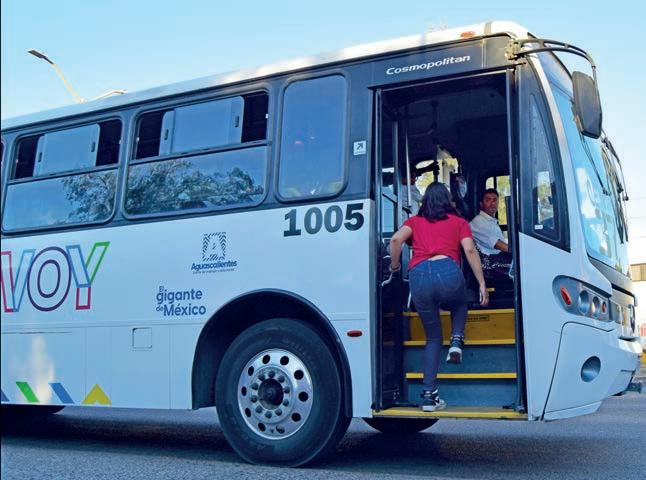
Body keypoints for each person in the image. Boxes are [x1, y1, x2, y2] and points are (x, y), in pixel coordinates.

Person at [389, 182, 489, 412]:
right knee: (461, 301)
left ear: (425, 201)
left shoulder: (415, 222)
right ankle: (457, 339)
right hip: (448, 271)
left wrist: (394, 267)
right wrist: (482, 283)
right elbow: (470, 250)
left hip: (419, 276)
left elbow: (395, 240)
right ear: (448, 201)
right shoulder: (459, 222)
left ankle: (428, 396)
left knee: (433, 338)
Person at [469, 188, 513, 276]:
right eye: (488, 200)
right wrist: (520, 251)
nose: (492, 203)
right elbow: (500, 245)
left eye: (495, 200)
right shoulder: (478, 222)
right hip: (491, 265)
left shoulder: (490, 221)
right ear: (481, 204)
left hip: (499, 258)